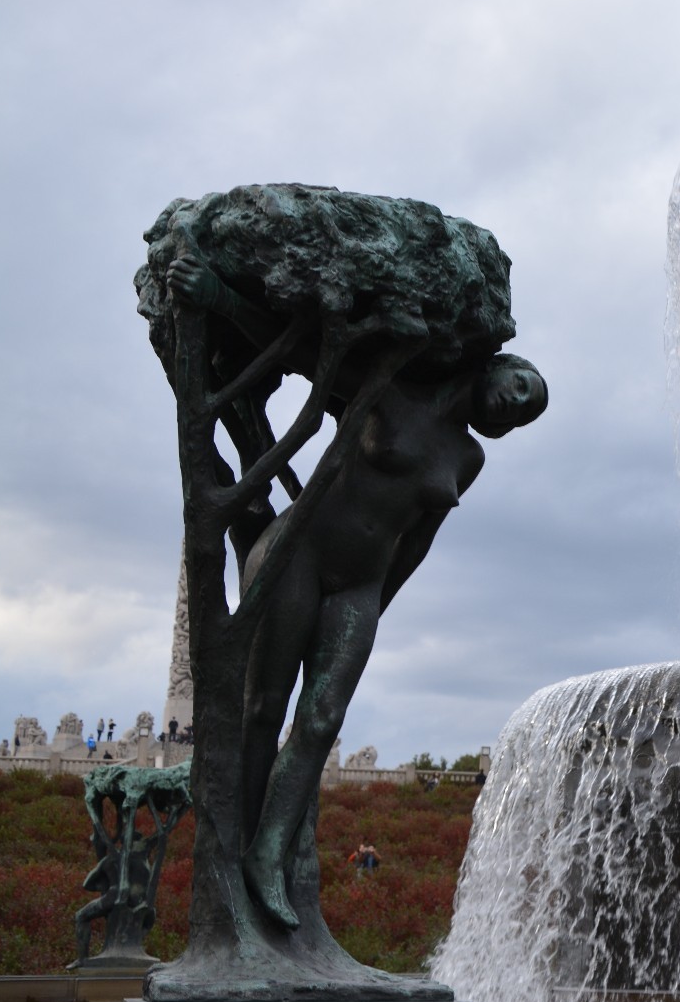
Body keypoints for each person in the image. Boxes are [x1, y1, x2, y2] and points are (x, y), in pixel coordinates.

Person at [167, 252, 547, 928]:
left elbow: (418, 542)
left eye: (528, 413)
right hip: (300, 551)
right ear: (495, 366)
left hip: (361, 587)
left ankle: (269, 855)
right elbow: (306, 355)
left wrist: (379, 606)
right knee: (263, 708)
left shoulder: (469, 457)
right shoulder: (388, 390)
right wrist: (221, 296)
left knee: (320, 719)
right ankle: (236, 854)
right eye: (524, 384)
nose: (521, 403)